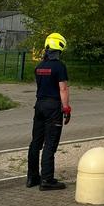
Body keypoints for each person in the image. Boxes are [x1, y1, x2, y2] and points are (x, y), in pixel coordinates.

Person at [27, 32, 71, 190]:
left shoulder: (39, 66)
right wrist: (66, 108)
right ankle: (47, 179)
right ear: (59, 48)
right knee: (50, 144)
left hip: (39, 105)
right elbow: (63, 88)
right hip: (53, 107)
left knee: (35, 143)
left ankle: (32, 177)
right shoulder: (59, 66)